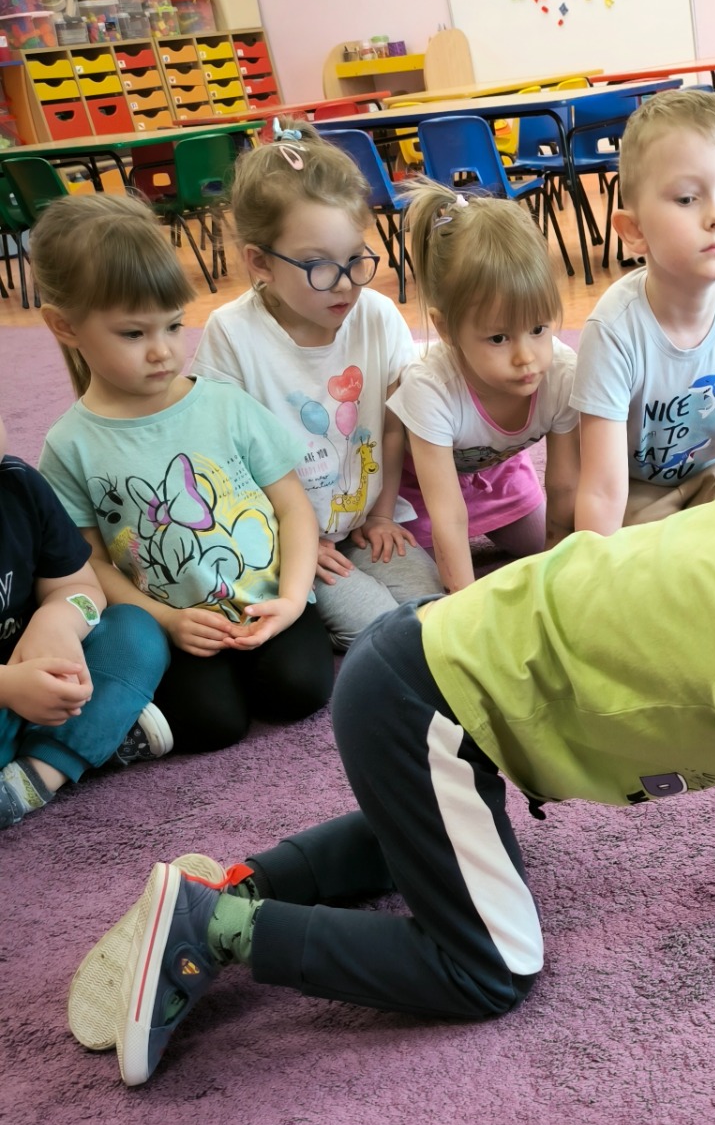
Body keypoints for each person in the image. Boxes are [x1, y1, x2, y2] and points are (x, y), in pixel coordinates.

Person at [74, 336, 715, 1103]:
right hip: (429, 703)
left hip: (436, 684)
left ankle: (236, 880)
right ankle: (219, 927)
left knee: (445, 843)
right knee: (490, 964)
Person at [33, 194, 332, 754]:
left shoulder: (225, 404)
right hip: (174, 623)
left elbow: (292, 506)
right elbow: (87, 564)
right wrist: (166, 621)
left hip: (266, 601)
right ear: (64, 326)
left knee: (299, 690)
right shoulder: (69, 445)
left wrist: (292, 600)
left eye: (173, 326)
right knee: (210, 725)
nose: (163, 352)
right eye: (133, 334)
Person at [190, 118, 440, 648]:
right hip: (289, 539)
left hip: (364, 521)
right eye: (317, 266)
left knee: (431, 612)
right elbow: (223, 465)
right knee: (379, 631)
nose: (345, 284)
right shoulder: (231, 334)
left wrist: (381, 513)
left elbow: (392, 427)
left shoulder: (376, 316)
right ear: (260, 262)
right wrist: (290, 545)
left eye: (355, 259)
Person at [572, 86, 715, 534]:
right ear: (634, 231)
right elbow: (602, 489)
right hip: (640, 489)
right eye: (686, 199)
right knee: (636, 557)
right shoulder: (612, 329)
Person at [387, 186, 580, 593]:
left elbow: (564, 485)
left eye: (538, 328)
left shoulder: (562, 374)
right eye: (498, 338)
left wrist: (559, 577)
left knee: (554, 551)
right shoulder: (429, 388)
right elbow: (447, 515)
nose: (525, 358)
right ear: (446, 329)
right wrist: (466, 604)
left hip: (499, 479)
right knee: (423, 588)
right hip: (422, 495)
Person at [0, 408, 170, 831]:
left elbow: (82, 588)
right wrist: (9, 687)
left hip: (43, 678)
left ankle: (31, 779)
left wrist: (59, 620)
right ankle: (95, 737)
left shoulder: (18, 485)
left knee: (135, 631)